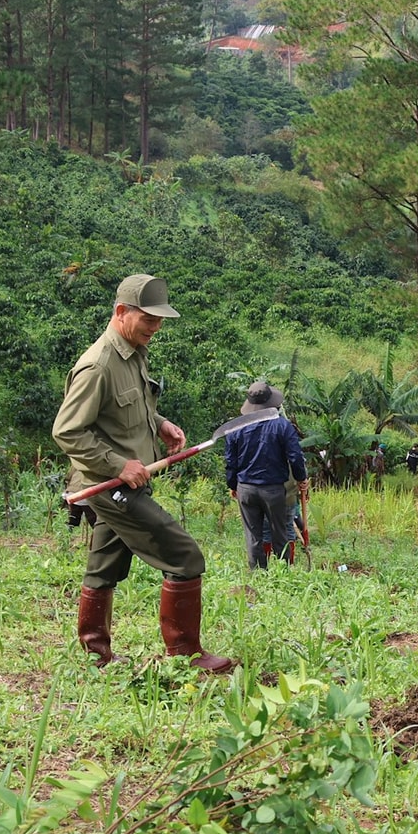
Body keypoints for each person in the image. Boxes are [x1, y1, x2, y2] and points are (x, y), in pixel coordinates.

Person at [54, 274, 234, 673]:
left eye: (160, 320)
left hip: (127, 481)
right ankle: (185, 654)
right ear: (121, 312)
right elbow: (67, 431)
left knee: (103, 567)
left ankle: (94, 655)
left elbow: (127, 411)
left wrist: (160, 423)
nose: (156, 327)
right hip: (109, 486)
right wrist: (119, 465)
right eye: (149, 319)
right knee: (184, 555)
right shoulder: (97, 366)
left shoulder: (133, 352)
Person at [222, 379, 309, 570]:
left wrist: (232, 485)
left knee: (253, 536)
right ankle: (283, 573)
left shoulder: (235, 428)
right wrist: (302, 478)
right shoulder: (282, 426)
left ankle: (257, 573)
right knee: (280, 533)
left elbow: (231, 461)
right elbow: (295, 456)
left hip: (245, 487)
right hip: (273, 489)